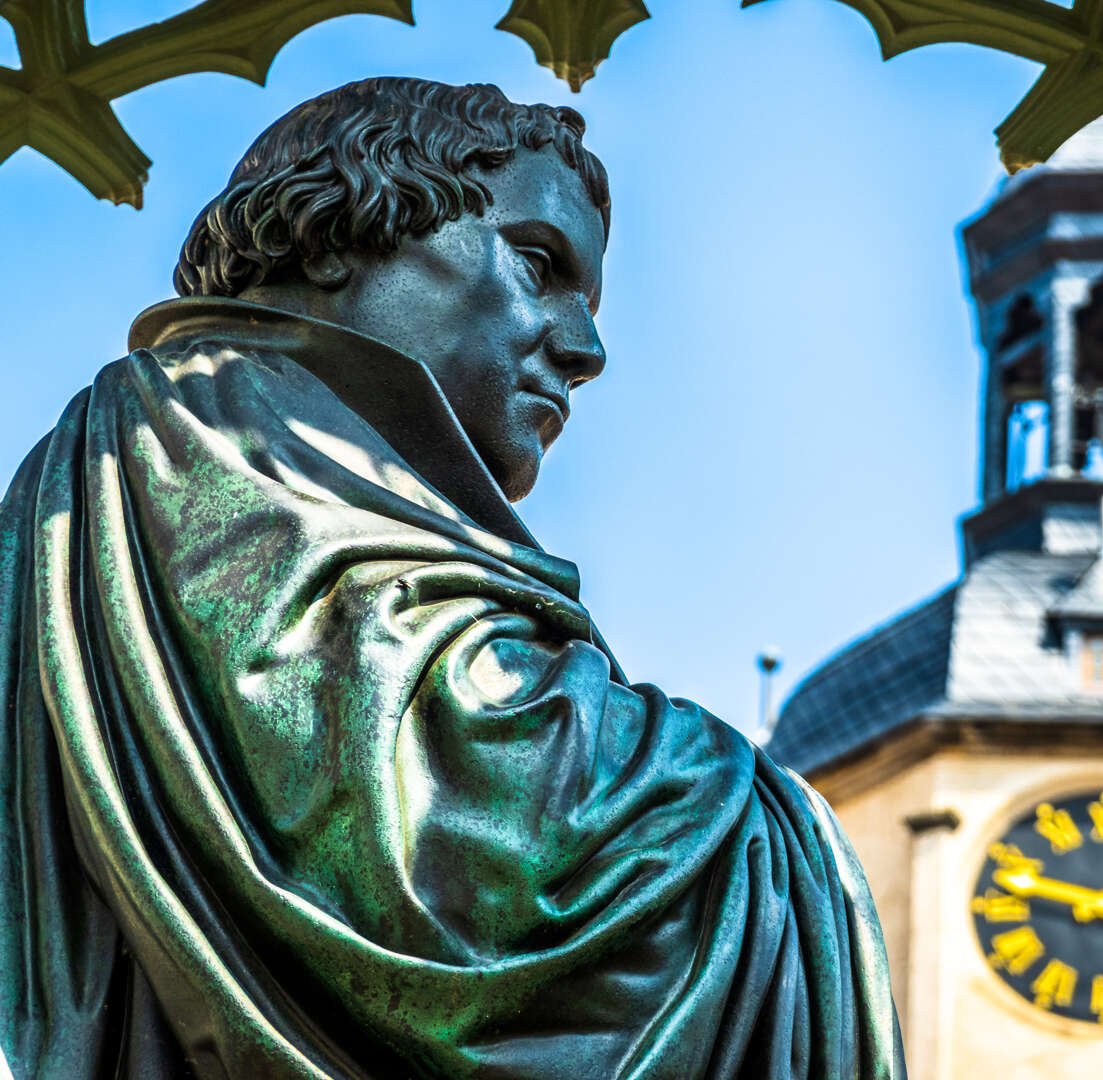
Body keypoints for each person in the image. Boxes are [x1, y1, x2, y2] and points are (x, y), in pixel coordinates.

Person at [0, 77, 904, 1079]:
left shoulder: (212, 446)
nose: (587, 348)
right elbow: (460, 842)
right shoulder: (214, 429)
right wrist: (763, 827)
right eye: (537, 262)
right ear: (338, 231)